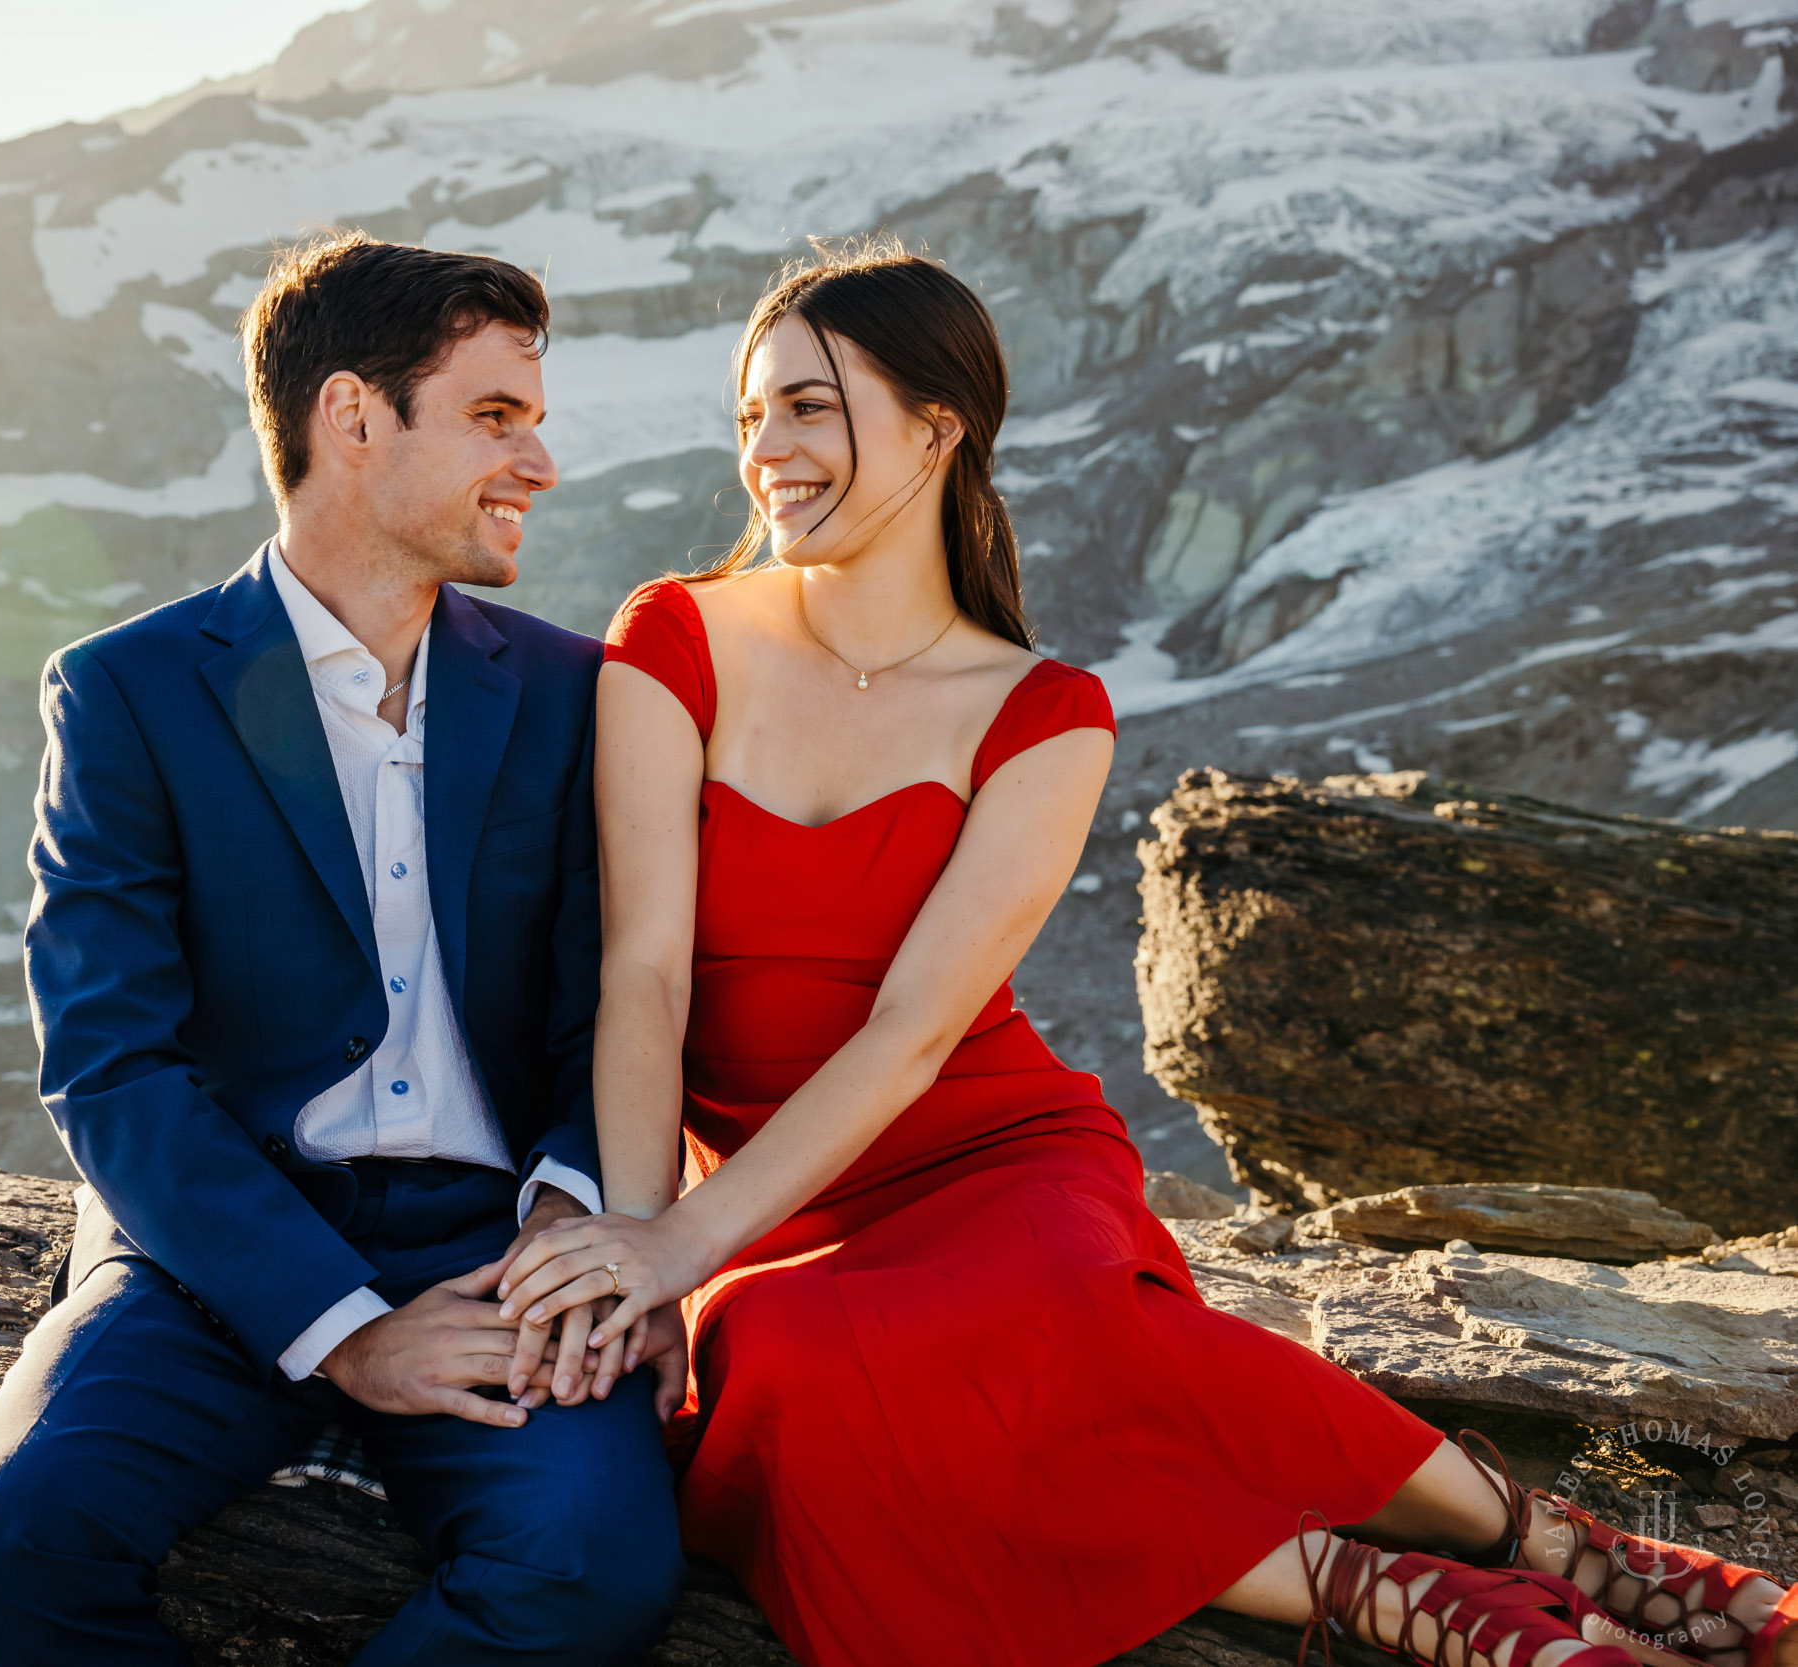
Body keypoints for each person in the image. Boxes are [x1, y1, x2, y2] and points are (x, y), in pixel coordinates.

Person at [492, 241, 1798, 1667]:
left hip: (986, 1156)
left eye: (808, 407)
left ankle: (1528, 1537)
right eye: (751, 418)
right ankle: (1386, 1584)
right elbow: (646, 981)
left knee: (1047, 1321)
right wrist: (655, 1255)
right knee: (799, 1377)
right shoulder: (673, 635)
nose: (768, 452)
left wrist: (681, 1242)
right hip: (766, 1203)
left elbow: (916, 1031)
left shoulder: (1046, 711)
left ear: (939, 429)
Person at [0, 230, 684, 1667]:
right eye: (495, 419)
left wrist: (565, 1220)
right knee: (10, 1541)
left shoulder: (583, 695)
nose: (541, 464)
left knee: (592, 1565)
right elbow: (112, 1066)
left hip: (500, 1250)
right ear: (351, 418)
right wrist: (344, 1329)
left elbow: (616, 1012)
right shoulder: (128, 693)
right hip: (218, 1256)